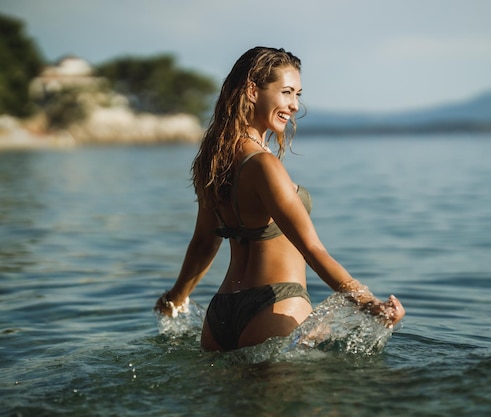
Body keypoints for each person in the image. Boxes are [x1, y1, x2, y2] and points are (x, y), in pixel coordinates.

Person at [154, 46, 405, 351]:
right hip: (275, 307)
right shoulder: (263, 164)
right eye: (286, 92)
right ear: (252, 91)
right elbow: (312, 249)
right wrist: (369, 304)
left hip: (221, 314)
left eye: (298, 94)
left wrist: (175, 297)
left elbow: (204, 243)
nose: (295, 105)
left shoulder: (214, 161)